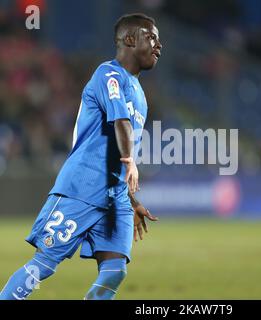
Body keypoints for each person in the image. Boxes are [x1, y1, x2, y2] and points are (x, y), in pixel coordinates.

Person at [0, 12, 162, 300]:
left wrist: (131, 198)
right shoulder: (108, 74)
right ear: (129, 39)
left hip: (115, 196)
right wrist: (130, 161)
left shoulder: (140, 94)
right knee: (43, 266)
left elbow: (118, 146)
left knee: (114, 271)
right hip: (82, 187)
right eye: (151, 37)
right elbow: (120, 122)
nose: (158, 45)